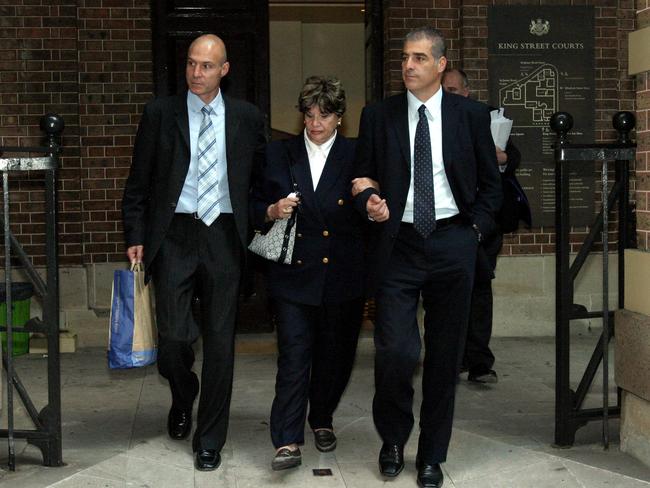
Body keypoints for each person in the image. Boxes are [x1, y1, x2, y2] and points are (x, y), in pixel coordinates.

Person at [352, 27, 502, 488]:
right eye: (404, 58)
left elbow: (491, 186)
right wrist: (370, 202)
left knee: (444, 357)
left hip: (452, 242)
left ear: (440, 65)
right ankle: (393, 438)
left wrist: (473, 231)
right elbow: (362, 176)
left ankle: (433, 455)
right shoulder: (379, 116)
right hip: (397, 245)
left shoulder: (471, 115)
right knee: (397, 350)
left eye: (419, 58)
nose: (408, 65)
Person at [122, 34, 266, 471]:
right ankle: (183, 393)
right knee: (174, 340)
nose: (196, 73)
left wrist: (263, 222)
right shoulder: (160, 113)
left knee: (221, 344)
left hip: (224, 236)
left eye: (206, 66)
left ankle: (210, 439)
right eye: (191, 64)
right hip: (175, 236)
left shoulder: (246, 117)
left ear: (224, 70)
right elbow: (138, 183)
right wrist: (136, 233)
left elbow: (259, 183)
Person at [250, 76, 365, 471]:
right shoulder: (278, 154)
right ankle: (285, 438)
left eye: (325, 115)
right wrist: (271, 210)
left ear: (339, 118)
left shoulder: (358, 155)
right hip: (293, 276)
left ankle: (322, 417)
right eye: (309, 115)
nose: (315, 123)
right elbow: (253, 202)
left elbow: (371, 208)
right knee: (294, 355)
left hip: (343, 275)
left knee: (335, 357)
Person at [442, 68, 522, 384]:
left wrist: (500, 158)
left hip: (483, 219)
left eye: (454, 89)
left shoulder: (487, 117)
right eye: (444, 90)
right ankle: (452, 358)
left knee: (479, 289)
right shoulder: (432, 119)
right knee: (446, 292)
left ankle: (478, 360)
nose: (449, 95)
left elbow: (513, 156)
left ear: (467, 90)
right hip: (448, 219)